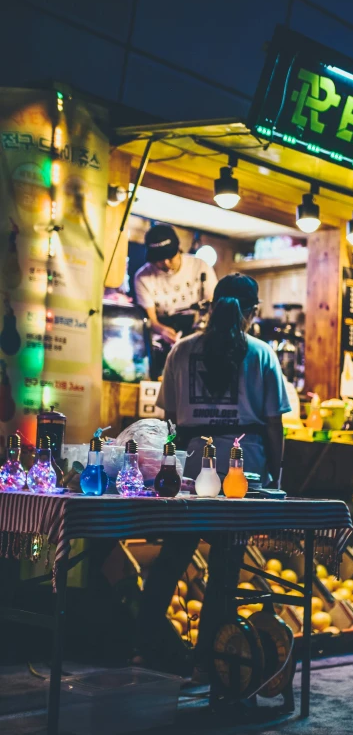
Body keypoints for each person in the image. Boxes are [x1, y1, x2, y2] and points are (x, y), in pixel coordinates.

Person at [135, 273, 291, 676]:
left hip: (189, 471)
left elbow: (169, 419)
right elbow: (274, 426)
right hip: (243, 476)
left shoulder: (181, 352)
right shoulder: (261, 354)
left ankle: (153, 647)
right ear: (252, 313)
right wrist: (274, 479)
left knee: (172, 558)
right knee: (224, 569)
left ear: (212, 305)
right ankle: (210, 662)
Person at [134, 223, 217, 345]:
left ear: (178, 250)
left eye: (170, 257)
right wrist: (163, 331)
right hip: (164, 341)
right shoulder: (143, 277)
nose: (166, 263)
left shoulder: (200, 266)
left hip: (199, 336)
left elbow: (213, 304)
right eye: (159, 260)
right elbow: (151, 320)